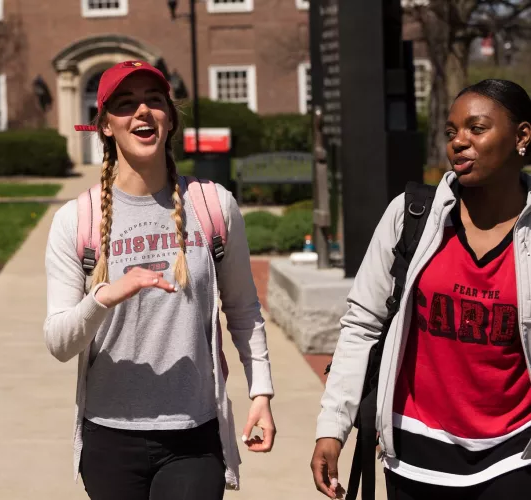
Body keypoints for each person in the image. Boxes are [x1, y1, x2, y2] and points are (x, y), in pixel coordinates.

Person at [43, 60, 276, 500]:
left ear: (169, 117)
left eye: (154, 100)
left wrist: (260, 392)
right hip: (109, 437)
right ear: (106, 126)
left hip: (194, 434)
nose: (142, 112)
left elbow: (243, 309)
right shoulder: (77, 221)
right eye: (126, 104)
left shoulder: (212, 206)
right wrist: (102, 298)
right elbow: (59, 342)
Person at [311, 79, 531, 499]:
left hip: (514, 455)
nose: (459, 143)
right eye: (451, 133)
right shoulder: (412, 216)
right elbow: (362, 325)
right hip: (414, 451)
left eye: (476, 128)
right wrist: (331, 429)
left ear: (521, 136)